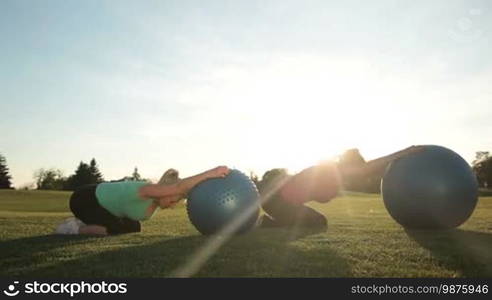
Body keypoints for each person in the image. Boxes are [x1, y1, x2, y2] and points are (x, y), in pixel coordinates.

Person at [258, 146, 425, 229]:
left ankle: (273, 221)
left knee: (319, 221)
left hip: (277, 200)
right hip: (275, 200)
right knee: (317, 222)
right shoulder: (331, 170)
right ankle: (269, 224)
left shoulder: (333, 172)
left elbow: (366, 169)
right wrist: (403, 152)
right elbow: (370, 168)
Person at [54, 166, 230, 236]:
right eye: (173, 199)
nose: (172, 205)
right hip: (85, 199)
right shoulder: (147, 189)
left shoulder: (152, 206)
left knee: (133, 227)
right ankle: (74, 228)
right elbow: (180, 187)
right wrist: (211, 174)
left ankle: (85, 222)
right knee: (114, 230)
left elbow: (179, 190)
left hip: (103, 208)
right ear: (164, 190)